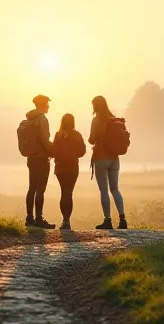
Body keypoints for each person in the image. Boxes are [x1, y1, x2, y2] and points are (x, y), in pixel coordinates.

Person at [89, 96, 127, 229]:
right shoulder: (113, 119)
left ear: (95, 105)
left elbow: (91, 139)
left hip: (101, 157)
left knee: (104, 190)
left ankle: (107, 220)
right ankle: (122, 219)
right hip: (114, 158)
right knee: (115, 189)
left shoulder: (96, 120)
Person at [22, 95, 55, 229]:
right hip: (41, 158)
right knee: (41, 189)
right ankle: (39, 219)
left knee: (32, 187)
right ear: (43, 104)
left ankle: (29, 218)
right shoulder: (42, 119)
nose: (48, 106)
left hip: (31, 157)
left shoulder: (29, 119)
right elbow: (45, 140)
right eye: (47, 103)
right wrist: (53, 151)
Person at [51, 113, 86, 230]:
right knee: (68, 193)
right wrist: (73, 154)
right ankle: (67, 221)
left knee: (63, 192)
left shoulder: (58, 135)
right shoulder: (77, 135)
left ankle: (64, 220)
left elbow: (53, 151)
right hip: (72, 167)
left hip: (60, 168)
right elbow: (82, 151)